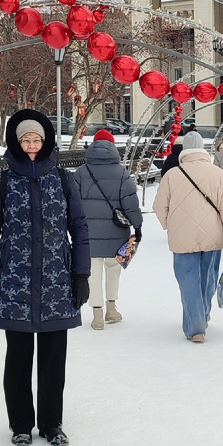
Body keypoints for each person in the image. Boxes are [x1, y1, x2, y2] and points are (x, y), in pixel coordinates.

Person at [0, 110, 90, 446]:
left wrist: (81, 274)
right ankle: (21, 424)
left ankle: (52, 424)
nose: (30, 146)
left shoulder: (62, 179)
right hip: (16, 282)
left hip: (57, 281)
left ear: (46, 142)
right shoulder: (3, 181)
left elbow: (79, 229)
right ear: (16, 140)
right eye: (25, 140)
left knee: (54, 358)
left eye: (36, 140)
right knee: (18, 356)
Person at [153, 130, 223, 342]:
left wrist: (170, 224)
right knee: (208, 279)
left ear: (184, 150)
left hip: (182, 239)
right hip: (213, 236)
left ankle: (196, 328)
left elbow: (158, 207)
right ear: (203, 148)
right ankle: (203, 315)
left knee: (188, 281)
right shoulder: (218, 174)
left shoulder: (172, 175)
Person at [75, 129, 141, 330]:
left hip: (89, 232)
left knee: (93, 271)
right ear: (112, 146)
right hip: (116, 230)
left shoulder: (81, 172)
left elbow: (72, 203)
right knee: (113, 268)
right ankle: (112, 308)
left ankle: (97, 315)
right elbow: (130, 202)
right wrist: (137, 225)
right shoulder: (121, 172)